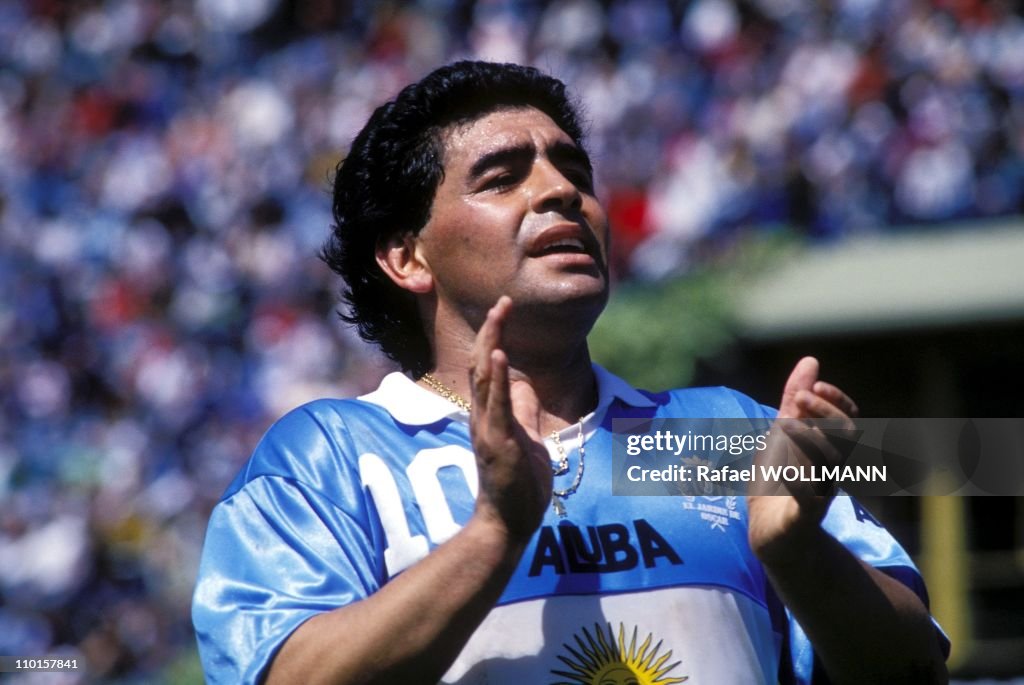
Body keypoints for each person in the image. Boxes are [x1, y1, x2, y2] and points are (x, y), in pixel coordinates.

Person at [192, 61, 949, 684]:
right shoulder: (328, 456)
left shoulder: (717, 434)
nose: (562, 192)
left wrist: (798, 550)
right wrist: (493, 534)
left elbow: (915, 668)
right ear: (407, 257)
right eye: (500, 177)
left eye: (572, 168)